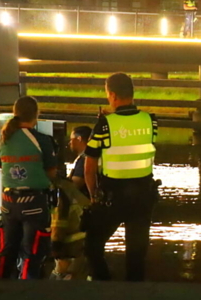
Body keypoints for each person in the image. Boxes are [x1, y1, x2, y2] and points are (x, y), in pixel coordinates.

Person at [84, 73, 160, 282]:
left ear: (114, 95)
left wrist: (93, 196)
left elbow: (89, 166)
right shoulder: (150, 121)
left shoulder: (105, 124)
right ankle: (135, 298)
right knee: (136, 254)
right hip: (143, 195)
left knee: (92, 246)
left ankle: (104, 285)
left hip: (113, 196)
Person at [0, 96, 58, 279]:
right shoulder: (42, 140)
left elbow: (1, 166)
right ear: (36, 115)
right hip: (34, 204)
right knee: (32, 254)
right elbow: (51, 172)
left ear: (15, 113)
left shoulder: (5, 139)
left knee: (7, 252)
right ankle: (27, 294)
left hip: (8, 203)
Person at [51, 125, 92, 280]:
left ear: (80, 139)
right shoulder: (93, 156)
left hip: (79, 212)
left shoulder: (84, 159)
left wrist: (59, 182)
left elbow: (76, 184)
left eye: (72, 139)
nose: (69, 143)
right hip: (89, 211)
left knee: (69, 258)